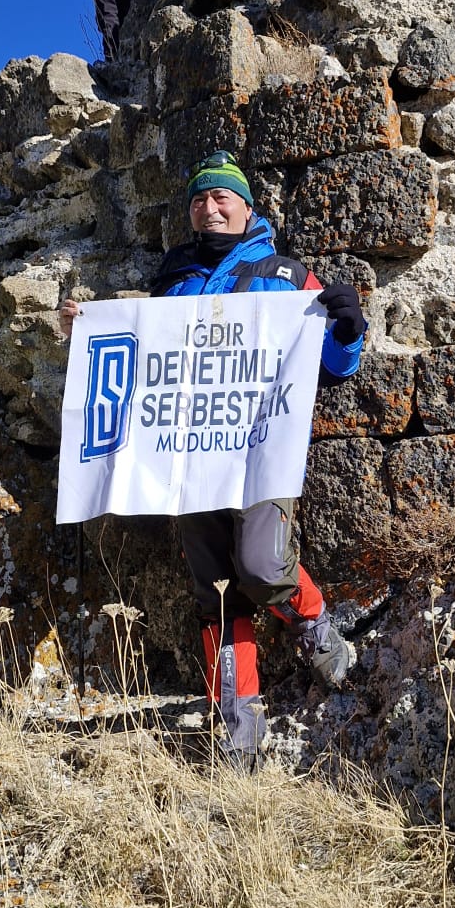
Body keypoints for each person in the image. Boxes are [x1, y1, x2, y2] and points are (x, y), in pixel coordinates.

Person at [62, 155, 366, 763]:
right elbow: (140, 364)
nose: (210, 207)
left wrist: (346, 328)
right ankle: (238, 725)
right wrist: (85, 331)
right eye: (200, 199)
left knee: (261, 564)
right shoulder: (172, 282)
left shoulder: (286, 275)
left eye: (223, 197)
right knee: (217, 594)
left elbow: (335, 367)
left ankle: (315, 627)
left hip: (261, 453)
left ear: (247, 207)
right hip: (189, 457)